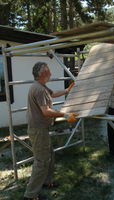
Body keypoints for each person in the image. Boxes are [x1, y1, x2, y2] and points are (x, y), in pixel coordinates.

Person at [24, 62, 78, 200]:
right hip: (38, 129)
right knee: (42, 161)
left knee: (50, 155)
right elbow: (46, 112)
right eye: (48, 71)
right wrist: (65, 115)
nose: (51, 73)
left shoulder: (41, 87)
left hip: (40, 128)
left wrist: (66, 91)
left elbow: (52, 94)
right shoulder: (39, 89)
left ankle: (47, 182)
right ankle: (30, 195)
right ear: (42, 74)